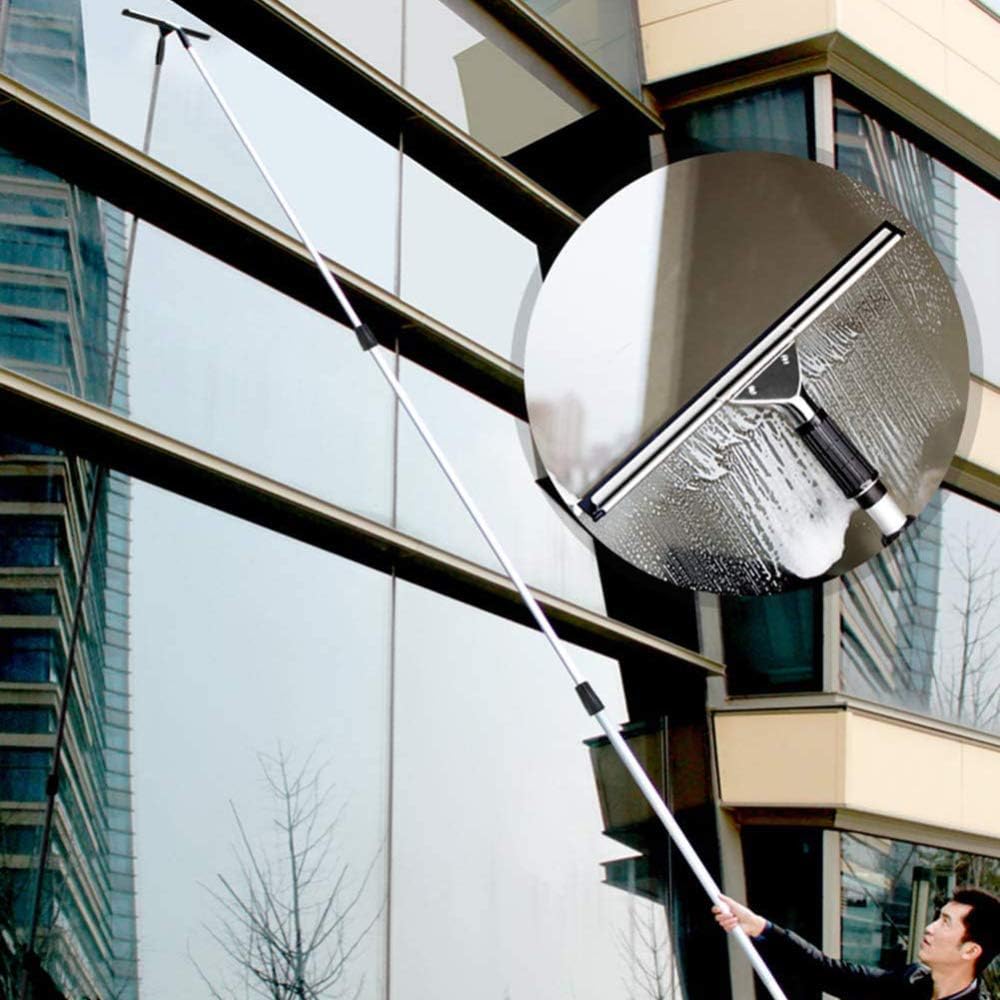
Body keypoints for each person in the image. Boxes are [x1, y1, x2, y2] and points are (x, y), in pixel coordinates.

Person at [713, 887, 1000, 999]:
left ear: (971, 950)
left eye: (945, 922)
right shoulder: (910, 981)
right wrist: (760, 927)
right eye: (938, 917)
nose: (930, 927)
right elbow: (828, 971)